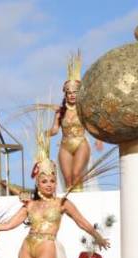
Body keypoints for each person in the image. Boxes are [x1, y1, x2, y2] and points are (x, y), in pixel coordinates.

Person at [0, 141, 109, 258]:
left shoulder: (62, 203)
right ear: (38, 183)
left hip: (46, 244)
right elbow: (9, 225)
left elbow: (81, 221)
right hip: (28, 245)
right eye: (44, 181)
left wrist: (98, 236)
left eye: (52, 181)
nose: (49, 184)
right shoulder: (30, 204)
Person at [48, 52, 98, 190]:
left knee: (77, 175)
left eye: (75, 92)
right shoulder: (60, 112)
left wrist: (99, 139)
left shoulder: (83, 110)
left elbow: (92, 126)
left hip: (81, 143)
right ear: (65, 94)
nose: (72, 95)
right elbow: (54, 130)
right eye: (69, 93)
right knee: (68, 179)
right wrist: (43, 134)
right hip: (65, 145)